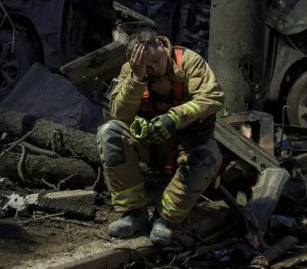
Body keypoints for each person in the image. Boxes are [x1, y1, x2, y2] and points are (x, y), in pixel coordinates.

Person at [96, 31, 224, 246]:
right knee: (109, 132)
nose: (152, 69)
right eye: (146, 66)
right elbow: (119, 114)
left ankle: (165, 219)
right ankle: (133, 214)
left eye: (154, 61)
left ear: (160, 44)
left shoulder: (188, 61)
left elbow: (213, 97)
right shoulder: (132, 69)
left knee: (209, 157)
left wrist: (174, 117)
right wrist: (137, 78)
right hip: (149, 145)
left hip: (187, 145)